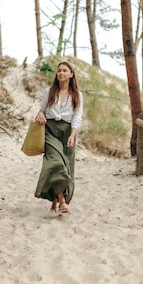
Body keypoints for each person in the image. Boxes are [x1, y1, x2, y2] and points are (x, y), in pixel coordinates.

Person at [34, 61, 83, 214]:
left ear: (71, 74)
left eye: (64, 71)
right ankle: (62, 202)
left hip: (67, 131)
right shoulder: (49, 91)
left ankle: (55, 199)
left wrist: (72, 136)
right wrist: (41, 115)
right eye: (59, 71)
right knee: (56, 164)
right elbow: (41, 110)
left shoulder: (77, 95)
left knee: (67, 167)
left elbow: (77, 117)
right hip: (50, 130)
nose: (61, 73)